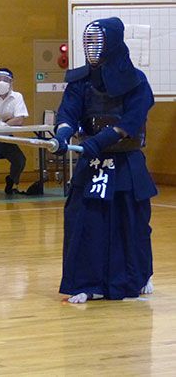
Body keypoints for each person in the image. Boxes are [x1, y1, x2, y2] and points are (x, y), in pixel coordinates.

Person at [53, 17, 157, 304]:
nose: (92, 48)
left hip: (125, 163)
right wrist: (62, 135)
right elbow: (68, 112)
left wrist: (99, 142)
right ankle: (87, 281)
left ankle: (137, 276)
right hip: (92, 162)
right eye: (88, 42)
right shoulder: (80, 80)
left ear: (112, 43)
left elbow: (132, 121)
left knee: (132, 222)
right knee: (84, 221)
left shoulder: (137, 81)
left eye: (98, 42)